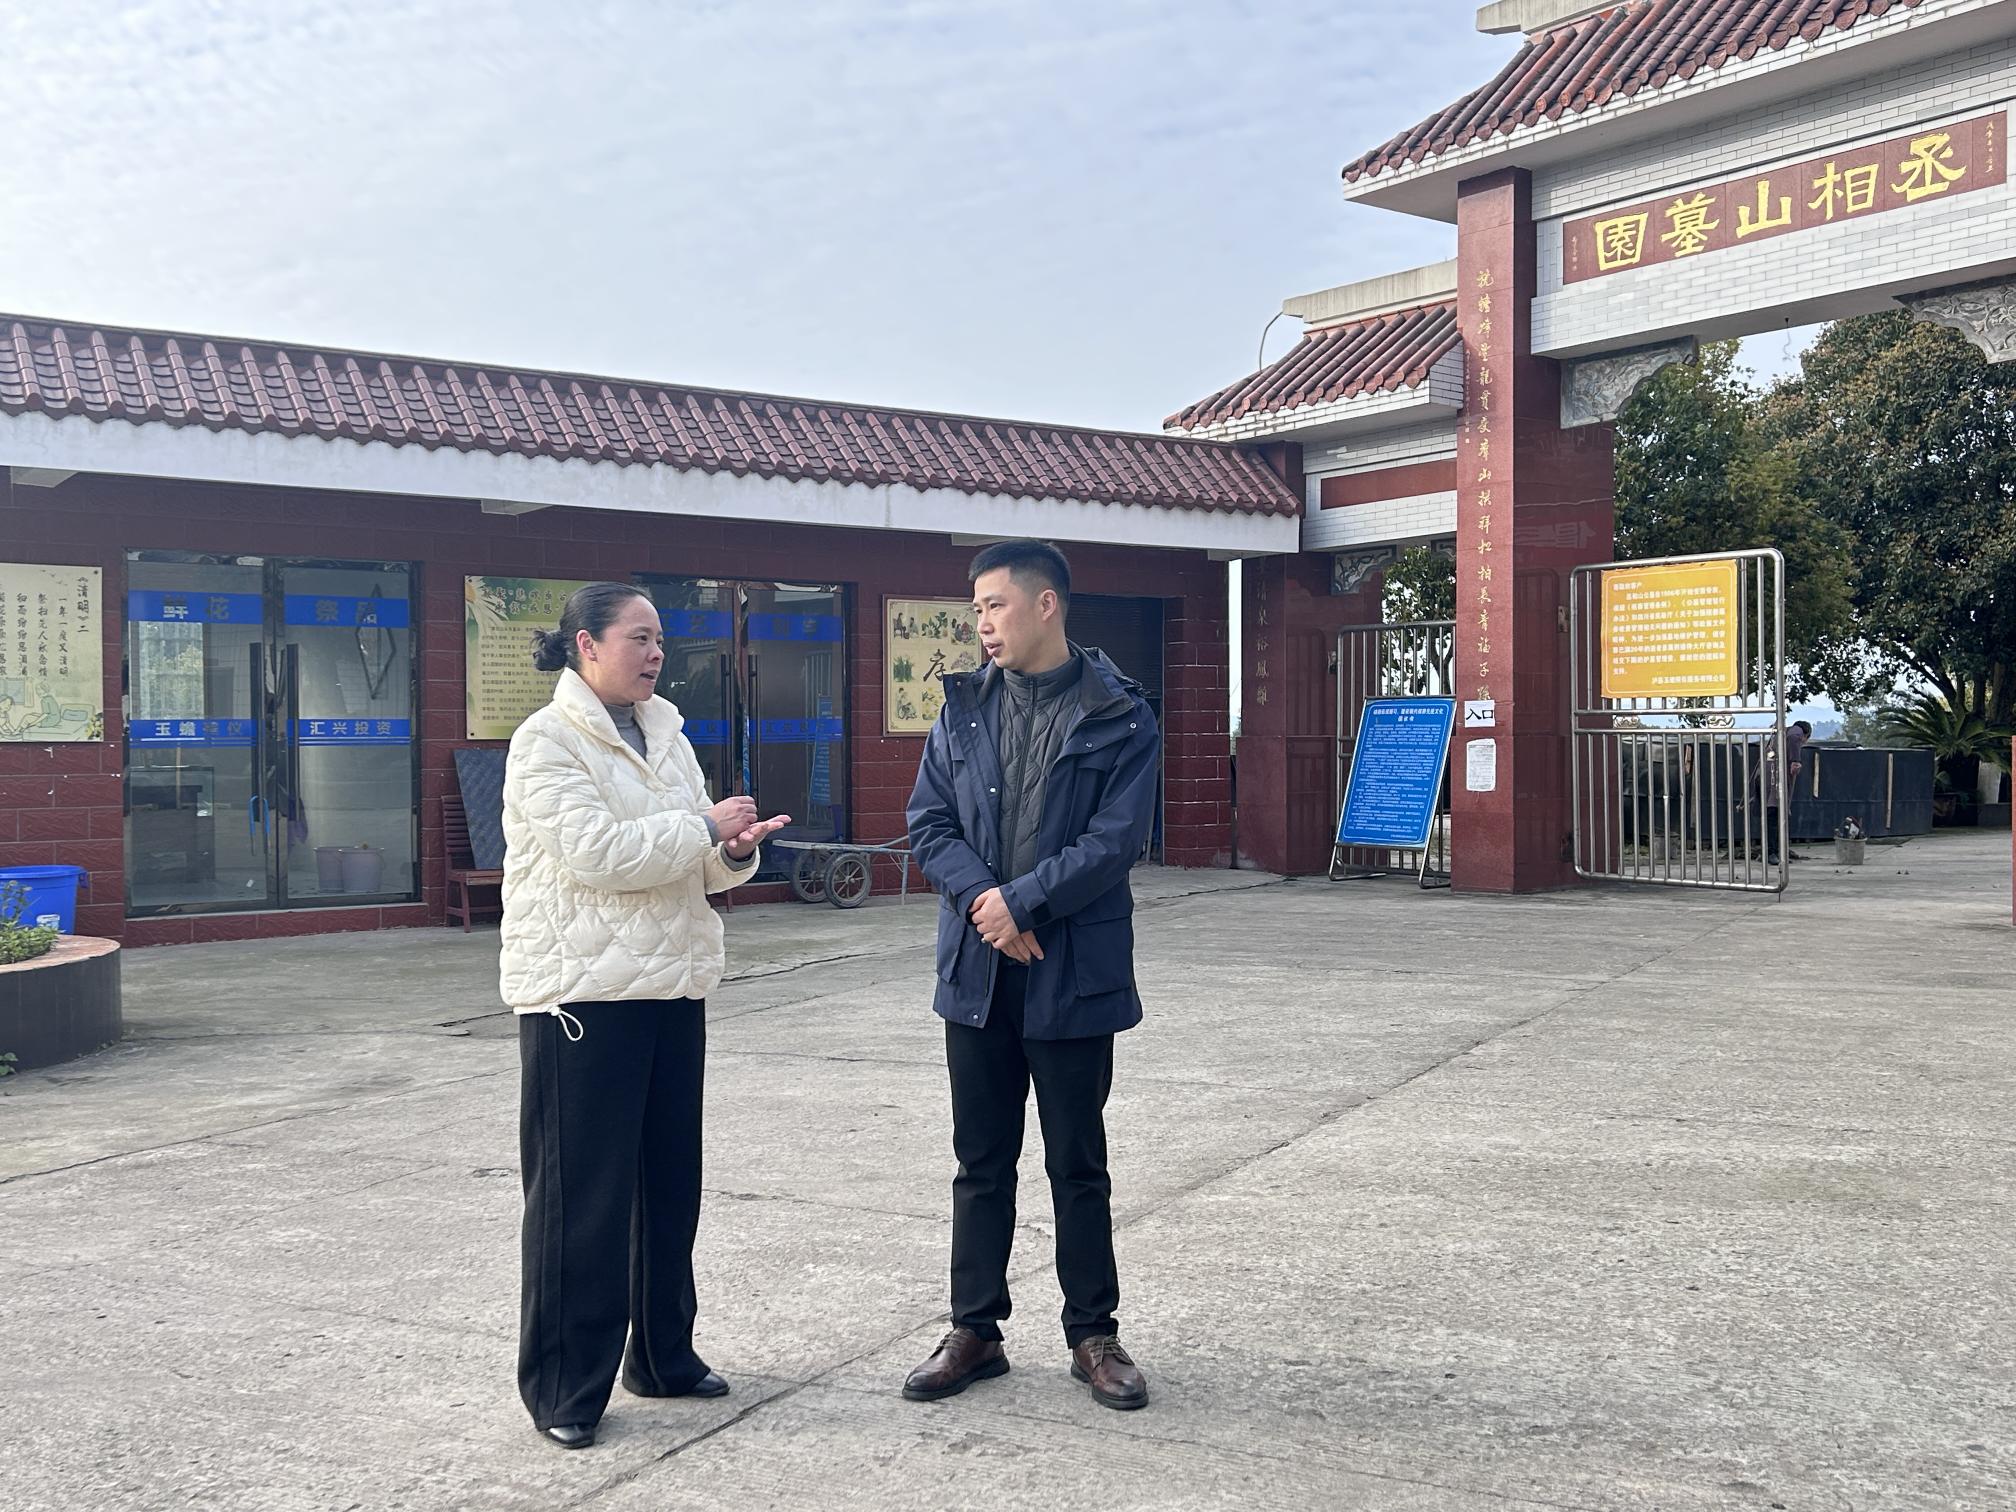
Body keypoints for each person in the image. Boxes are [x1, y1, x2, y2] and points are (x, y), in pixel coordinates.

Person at [500, 581, 789, 1450]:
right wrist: (702, 826)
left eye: (660, 638)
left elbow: (697, 865)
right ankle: (564, 1386)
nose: (656, 653)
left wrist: (733, 850)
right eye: (639, 637)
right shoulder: (546, 740)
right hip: (582, 998)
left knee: (668, 1188)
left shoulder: (667, 732)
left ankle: (664, 1356)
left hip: (671, 986)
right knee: (582, 1202)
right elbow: (597, 854)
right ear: (586, 645)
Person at [903, 540, 1161, 1412]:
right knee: (980, 1161)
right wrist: (989, 905)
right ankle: (974, 1330)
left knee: (1077, 1162)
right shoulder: (963, 708)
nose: (982, 624)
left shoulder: (1120, 714)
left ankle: (1094, 1333)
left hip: (1072, 971)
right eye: (976, 609)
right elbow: (930, 822)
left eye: (995, 605)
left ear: (1046, 605)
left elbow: (1114, 842)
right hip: (979, 972)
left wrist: (1023, 905)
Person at [1759, 718, 1812, 863]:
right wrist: (1796, 760)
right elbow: (1795, 737)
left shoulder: (1781, 735)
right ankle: (1772, 852)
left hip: (1768, 779)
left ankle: (1775, 850)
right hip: (1775, 782)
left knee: (1774, 817)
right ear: (1806, 735)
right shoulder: (1795, 732)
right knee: (1775, 817)